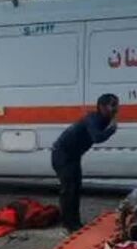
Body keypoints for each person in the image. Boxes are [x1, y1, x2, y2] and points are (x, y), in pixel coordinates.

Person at [51, 94, 119, 231]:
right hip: (62, 155)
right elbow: (97, 137)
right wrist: (111, 130)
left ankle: (75, 222)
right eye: (112, 105)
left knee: (76, 189)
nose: (116, 108)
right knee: (69, 190)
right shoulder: (93, 118)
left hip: (73, 156)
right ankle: (68, 224)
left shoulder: (104, 119)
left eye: (116, 105)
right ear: (102, 107)